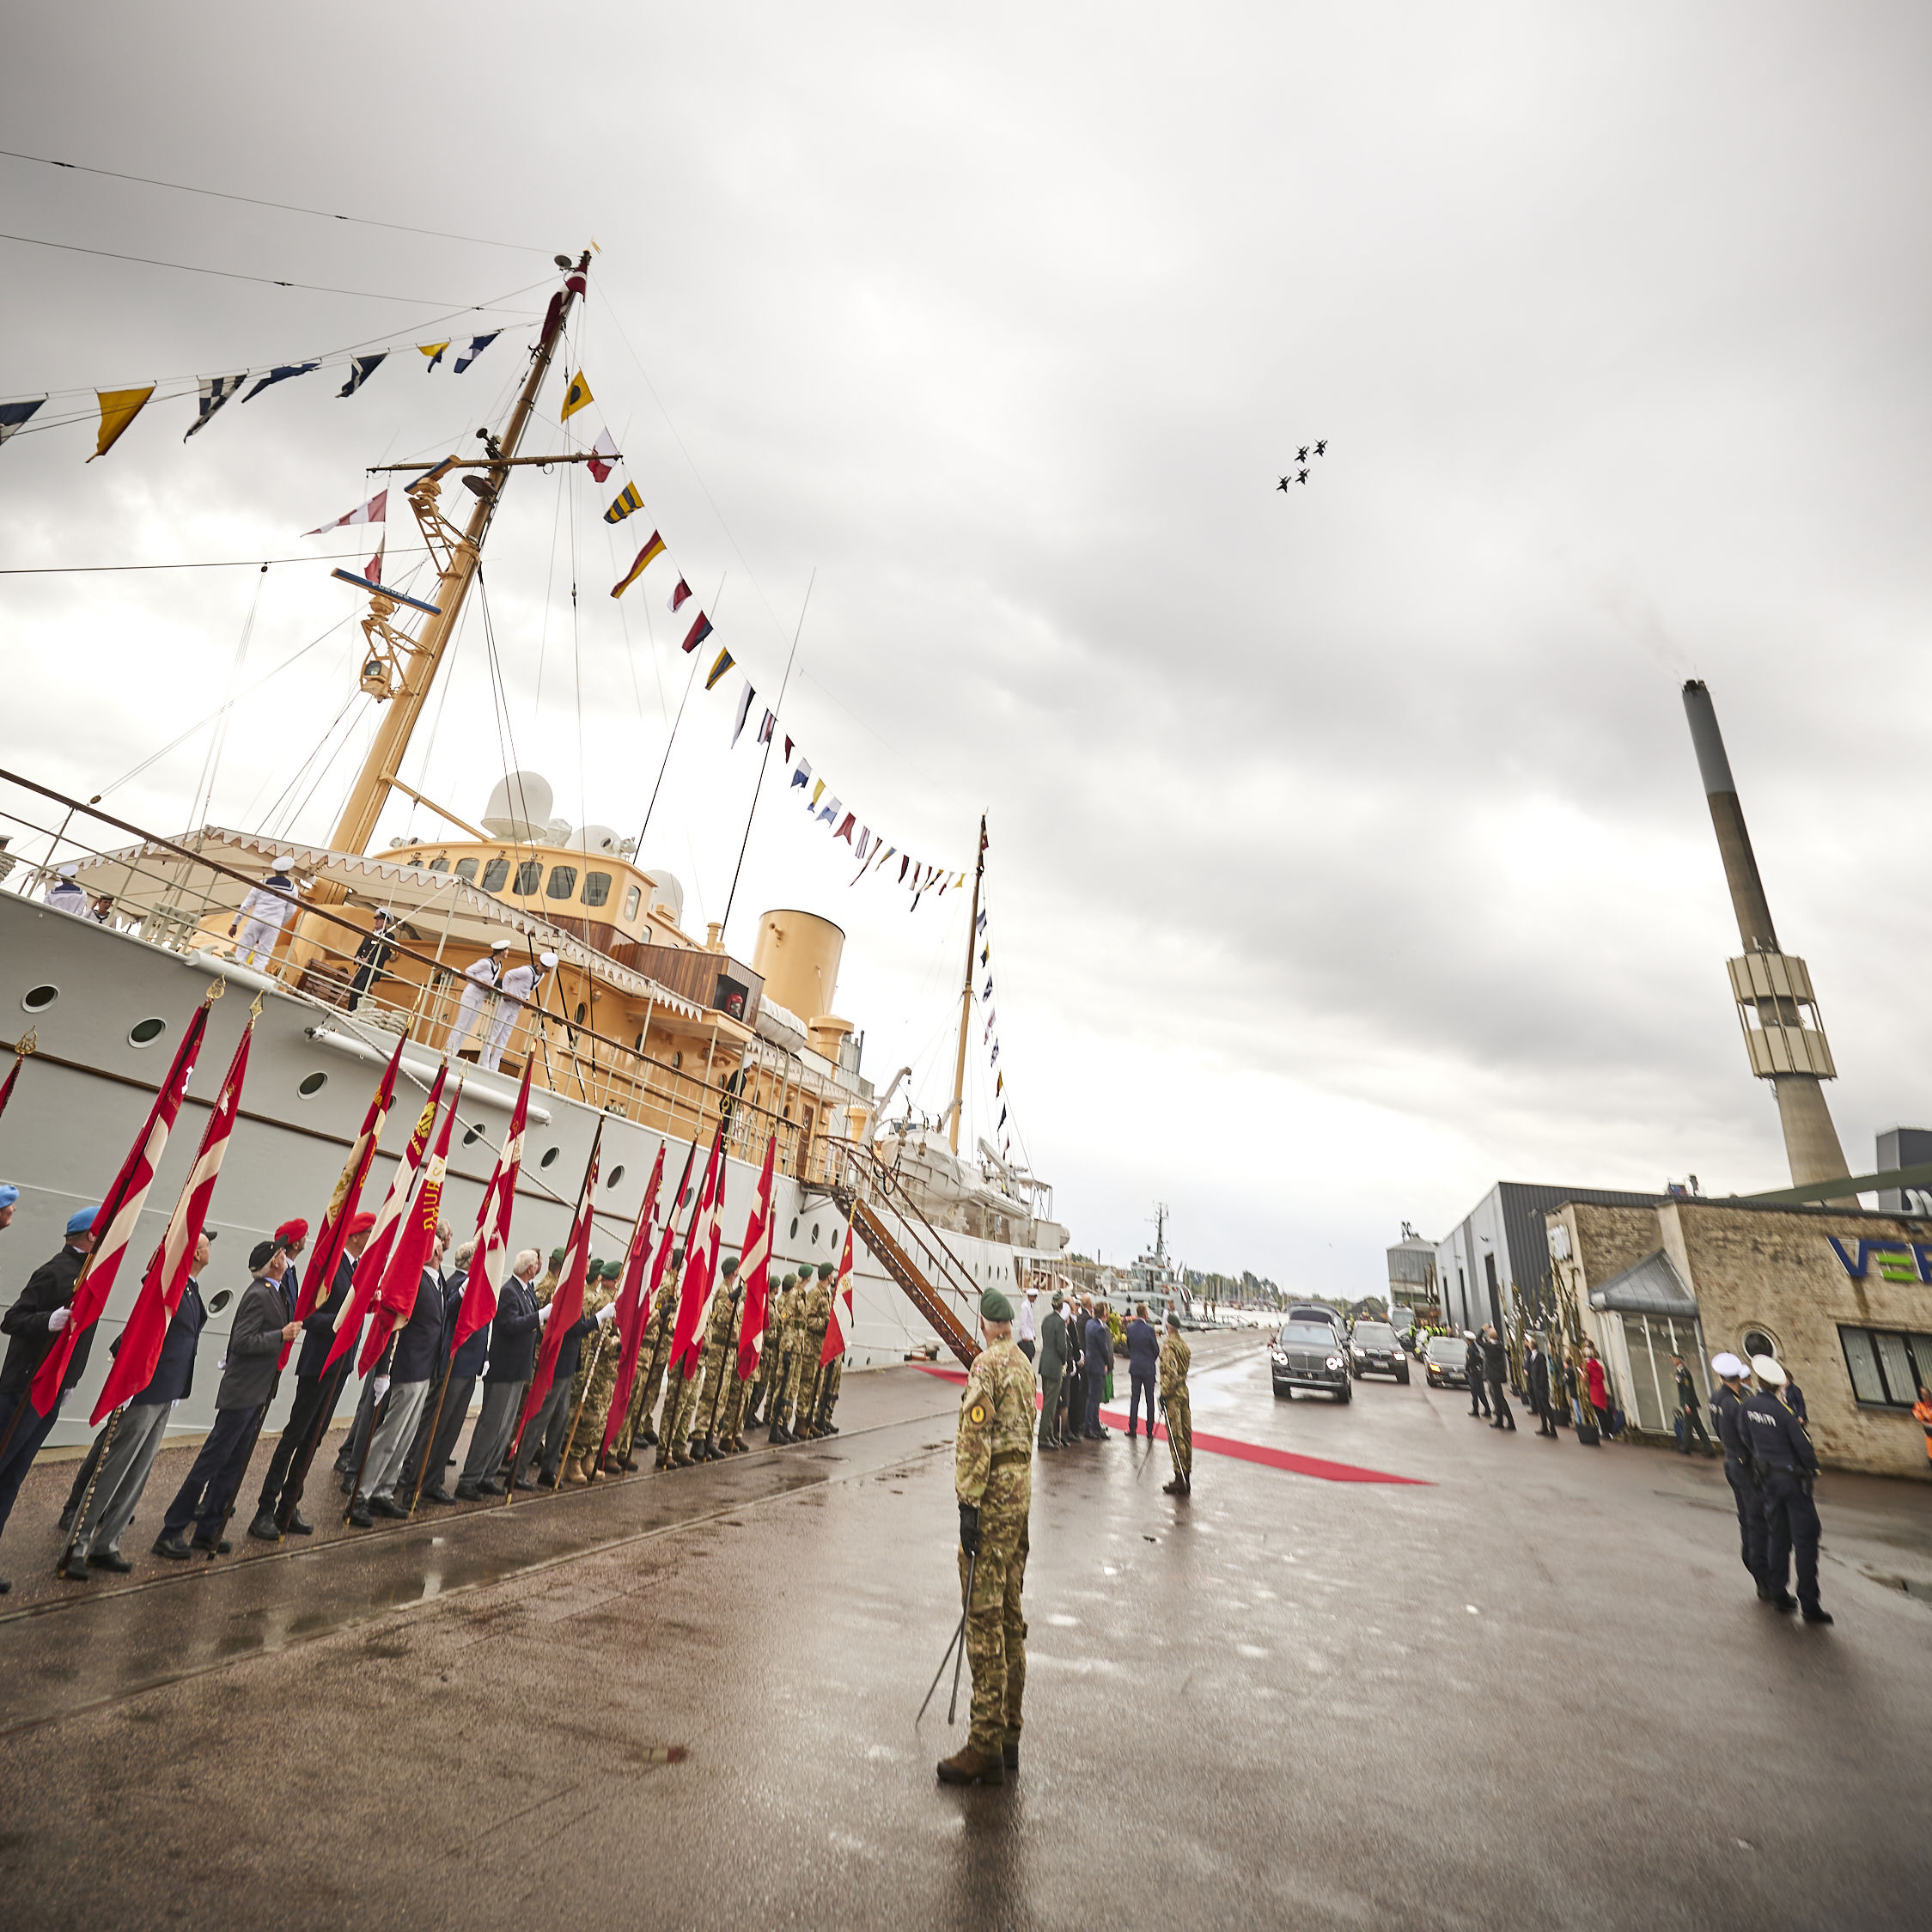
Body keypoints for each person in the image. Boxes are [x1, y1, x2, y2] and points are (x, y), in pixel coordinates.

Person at [62, 1233, 211, 1577]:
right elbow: (141, 1327)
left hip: (167, 1390)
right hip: (146, 1387)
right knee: (114, 1468)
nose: (208, 1250)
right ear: (194, 1252)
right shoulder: (165, 1282)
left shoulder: (190, 1287)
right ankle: (78, 1545)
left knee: (137, 1474)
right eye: (205, 1244)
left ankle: (107, 1543)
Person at [936, 1289, 1033, 1789]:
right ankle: (1010, 1733)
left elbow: (976, 1440)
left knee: (983, 1618)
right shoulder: (1023, 1364)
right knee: (1012, 1616)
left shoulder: (987, 1367)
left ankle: (984, 1743)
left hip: (992, 1501)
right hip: (1020, 1502)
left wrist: (967, 1506)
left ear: (983, 1323)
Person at [155, 1244, 300, 1558]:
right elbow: (242, 1342)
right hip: (241, 1395)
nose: (286, 1259)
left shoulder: (274, 1292)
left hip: (255, 1393)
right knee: (210, 1463)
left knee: (232, 1467)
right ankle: (172, 1530)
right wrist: (281, 1335)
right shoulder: (258, 1295)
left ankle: (208, 1530)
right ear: (274, 1262)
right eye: (281, 1255)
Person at [0, 1206, 102, 1591]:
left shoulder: (89, 1275)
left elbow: (83, 1338)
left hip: (50, 1392)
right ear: (90, 1236)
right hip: (23, 1389)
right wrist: (47, 1320)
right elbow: (11, 1320)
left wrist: (71, 1380)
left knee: (12, 1476)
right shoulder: (54, 1271)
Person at [259, 1213, 375, 1535]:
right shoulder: (333, 1267)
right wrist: (340, 1322)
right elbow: (309, 1315)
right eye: (369, 1233)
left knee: (314, 1438)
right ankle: (265, 1508)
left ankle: (289, 1503)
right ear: (355, 1236)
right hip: (319, 1364)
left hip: (340, 1365)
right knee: (295, 1436)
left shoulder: (355, 1269)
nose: (372, 1239)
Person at [349, 1243, 447, 1525]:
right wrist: (382, 1371)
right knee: (389, 1436)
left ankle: (383, 1491)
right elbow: (388, 1324)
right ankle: (361, 1495)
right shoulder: (413, 1281)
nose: (433, 1249)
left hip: (426, 1370)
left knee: (405, 1438)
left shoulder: (436, 1282)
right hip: (406, 1369)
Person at [1740, 1355, 1831, 1624]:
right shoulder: (1784, 1412)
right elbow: (1803, 1448)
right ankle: (1810, 1605)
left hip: (1768, 1481)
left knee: (1778, 1537)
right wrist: (1811, 1468)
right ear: (1779, 1386)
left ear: (1758, 1381)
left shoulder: (1747, 1407)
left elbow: (1745, 1438)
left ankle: (1779, 1594)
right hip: (1792, 1481)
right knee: (1805, 1540)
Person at [456, 1249, 543, 1498]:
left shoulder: (527, 1291)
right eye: (536, 1264)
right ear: (530, 1268)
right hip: (504, 1369)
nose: (537, 1268)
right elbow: (509, 1324)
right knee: (491, 1425)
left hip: (518, 1369)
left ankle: (487, 1474)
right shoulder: (509, 1292)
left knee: (504, 1428)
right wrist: (539, 1317)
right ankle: (469, 1479)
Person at [403, 1238, 481, 1505]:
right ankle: (421, 1479)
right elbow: (449, 1310)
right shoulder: (458, 1284)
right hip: (454, 1364)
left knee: (450, 1428)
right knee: (439, 1426)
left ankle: (432, 1479)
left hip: (467, 1366)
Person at [1708, 1352, 1770, 1597]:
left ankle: (1754, 1565)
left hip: (1731, 1462)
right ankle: (1762, 1576)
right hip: (1744, 1465)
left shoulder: (1716, 1397)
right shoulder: (1735, 1404)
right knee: (1755, 1520)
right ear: (1739, 1379)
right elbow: (1747, 1437)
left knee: (1746, 1517)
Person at [482, 951, 554, 1072]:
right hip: (506, 1003)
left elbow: (528, 989)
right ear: (546, 966)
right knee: (493, 1033)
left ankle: (494, 1066)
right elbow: (509, 975)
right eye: (550, 967)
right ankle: (484, 1064)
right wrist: (505, 992)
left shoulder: (540, 976)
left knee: (504, 1037)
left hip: (517, 1007)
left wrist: (525, 999)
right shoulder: (526, 971)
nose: (550, 969)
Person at [229, 856, 300, 970]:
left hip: (256, 920)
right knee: (262, 956)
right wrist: (279, 924)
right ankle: (254, 979)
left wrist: (235, 924)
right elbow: (291, 911)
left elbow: (246, 904)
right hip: (273, 924)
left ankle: (232, 972)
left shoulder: (263, 883)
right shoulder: (292, 889)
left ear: (275, 870)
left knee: (243, 950)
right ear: (288, 871)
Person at [451, 940, 509, 1058]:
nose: (508, 952)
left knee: (468, 1027)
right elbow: (468, 971)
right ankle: (448, 1050)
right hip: (471, 993)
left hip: (480, 997)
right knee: (461, 1024)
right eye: (506, 950)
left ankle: (455, 1052)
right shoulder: (486, 963)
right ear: (501, 952)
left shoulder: (499, 967)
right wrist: (478, 982)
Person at [1159, 1311, 1192, 1496]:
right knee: (1186, 1434)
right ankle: (1186, 1472)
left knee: (1175, 1434)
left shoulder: (1169, 1346)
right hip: (1184, 1392)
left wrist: (1164, 1393)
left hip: (1173, 1395)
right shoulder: (1184, 1346)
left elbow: (1170, 1374)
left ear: (1168, 1327)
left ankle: (1179, 1477)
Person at [345, 909, 399, 1012]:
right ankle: (349, 1012)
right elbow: (361, 949)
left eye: (379, 919)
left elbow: (385, 954)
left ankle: (353, 1013)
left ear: (386, 922)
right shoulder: (369, 934)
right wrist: (357, 957)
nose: (376, 921)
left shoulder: (388, 936)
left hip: (371, 970)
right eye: (376, 919)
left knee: (359, 992)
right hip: (361, 968)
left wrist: (369, 960)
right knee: (353, 992)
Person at [1035, 1291, 1070, 1452]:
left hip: (1045, 1364)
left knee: (1049, 1402)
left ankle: (1049, 1435)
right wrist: (1064, 1361)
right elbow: (1062, 1347)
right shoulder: (1060, 1323)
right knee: (1050, 1404)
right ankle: (1043, 1438)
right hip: (1055, 1365)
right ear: (1062, 1306)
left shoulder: (1046, 1320)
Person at [1124, 1301, 1159, 1441]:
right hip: (1148, 1368)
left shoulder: (1130, 1329)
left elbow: (1129, 1346)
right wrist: (1150, 1359)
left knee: (1135, 1398)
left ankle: (1133, 1428)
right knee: (1150, 1400)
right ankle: (1149, 1430)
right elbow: (1156, 1350)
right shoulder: (1150, 1330)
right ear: (1145, 1314)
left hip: (1135, 1367)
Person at [1082, 1301, 1114, 1440]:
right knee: (1095, 1398)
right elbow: (1104, 1349)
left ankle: (1092, 1425)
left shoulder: (1090, 1324)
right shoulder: (1100, 1329)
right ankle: (1090, 1427)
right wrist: (1108, 1363)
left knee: (1092, 1397)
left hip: (1090, 1363)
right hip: (1097, 1366)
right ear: (1105, 1313)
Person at [1673, 1355, 1715, 1458]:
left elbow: (1688, 1389)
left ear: (1679, 1360)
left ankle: (1685, 1448)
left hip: (1689, 1403)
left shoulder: (1684, 1373)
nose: (1673, 1361)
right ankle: (1710, 1449)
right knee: (1698, 1427)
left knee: (1687, 1426)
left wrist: (1687, 1404)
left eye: (1674, 1359)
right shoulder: (1679, 1372)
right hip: (1688, 1403)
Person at [1481, 1326, 1515, 1432]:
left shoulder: (1490, 1347)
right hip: (1498, 1375)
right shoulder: (1500, 1346)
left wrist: (1483, 1330)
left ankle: (1509, 1421)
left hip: (1492, 1375)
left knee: (1499, 1398)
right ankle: (1500, 1420)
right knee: (1498, 1398)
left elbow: (1477, 1340)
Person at [1526, 1334, 1557, 1437]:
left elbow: (1543, 1374)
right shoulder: (1532, 1357)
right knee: (1540, 1408)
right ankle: (1544, 1427)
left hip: (1541, 1387)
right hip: (1535, 1386)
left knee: (1546, 1407)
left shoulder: (1539, 1357)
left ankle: (1552, 1428)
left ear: (1531, 1347)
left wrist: (1541, 1387)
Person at [1583, 1344, 1613, 1438]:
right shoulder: (1598, 1365)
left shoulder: (1587, 1366)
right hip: (1600, 1389)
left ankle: (1603, 1431)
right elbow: (1602, 1377)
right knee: (1604, 1411)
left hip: (1593, 1390)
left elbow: (1586, 1379)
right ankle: (1608, 1431)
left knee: (1598, 1413)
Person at [1464, 1331, 1490, 1418]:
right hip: (1478, 1373)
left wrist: (1467, 1368)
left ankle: (1476, 1410)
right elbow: (1480, 1360)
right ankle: (1487, 1410)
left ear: (1468, 1340)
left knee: (1474, 1392)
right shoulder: (1476, 1349)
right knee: (1481, 1392)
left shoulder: (1470, 1349)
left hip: (1473, 1373)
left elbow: (1469, 1361)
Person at [1015, 1284, 1037, 1364]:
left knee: (1030, 1356)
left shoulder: (1029, 1306)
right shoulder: (1025, 1306)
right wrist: (1024, 1336)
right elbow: (1023, 1322)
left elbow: (1030, 1322)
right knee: (1027, 1357)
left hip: (1029, 1334)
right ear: (1030, 1297)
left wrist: (1033, 1334)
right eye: (1034, 1297)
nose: (1035, 1299)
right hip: (1026, 1336)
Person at [1914, 1385, 1932, 1468]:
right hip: (1930, 1435)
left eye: (1927, 1394)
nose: (1926, 1396)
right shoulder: (1919, 1405)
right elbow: (1921, 1418)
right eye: (1923, 1394)